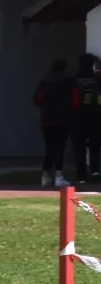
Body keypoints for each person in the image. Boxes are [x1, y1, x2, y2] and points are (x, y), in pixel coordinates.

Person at [34, 58, 77, 186]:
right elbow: (76, 101)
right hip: (63, 119)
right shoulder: (69, 82)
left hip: (46, 119)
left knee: (49, 148)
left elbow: (37, 99)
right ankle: (59, 176)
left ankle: (45, 176)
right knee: (60, 148)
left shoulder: (45, 81)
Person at [77, 54, 101, 185]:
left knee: (79, 148)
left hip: (78, 118)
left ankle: (81, 175)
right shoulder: (97, 81)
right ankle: (95, 172)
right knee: (95, 147)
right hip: (96, 117)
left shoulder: (75, 80)